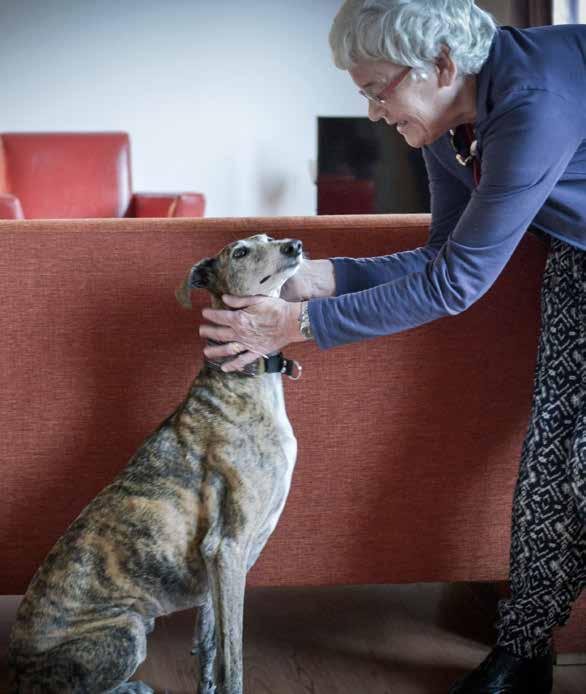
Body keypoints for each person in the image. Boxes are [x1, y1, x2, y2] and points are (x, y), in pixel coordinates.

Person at [199, 1, 586, 691]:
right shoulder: (444, 122)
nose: (374, 113)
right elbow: (440, 255)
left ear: (440, 63)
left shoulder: (533, 103)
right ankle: (525, 649)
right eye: (362, 94)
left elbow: (458, 283)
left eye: (379, 90)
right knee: (551, 454)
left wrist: (297, 329)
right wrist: (314, 280)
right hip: (577, 255)